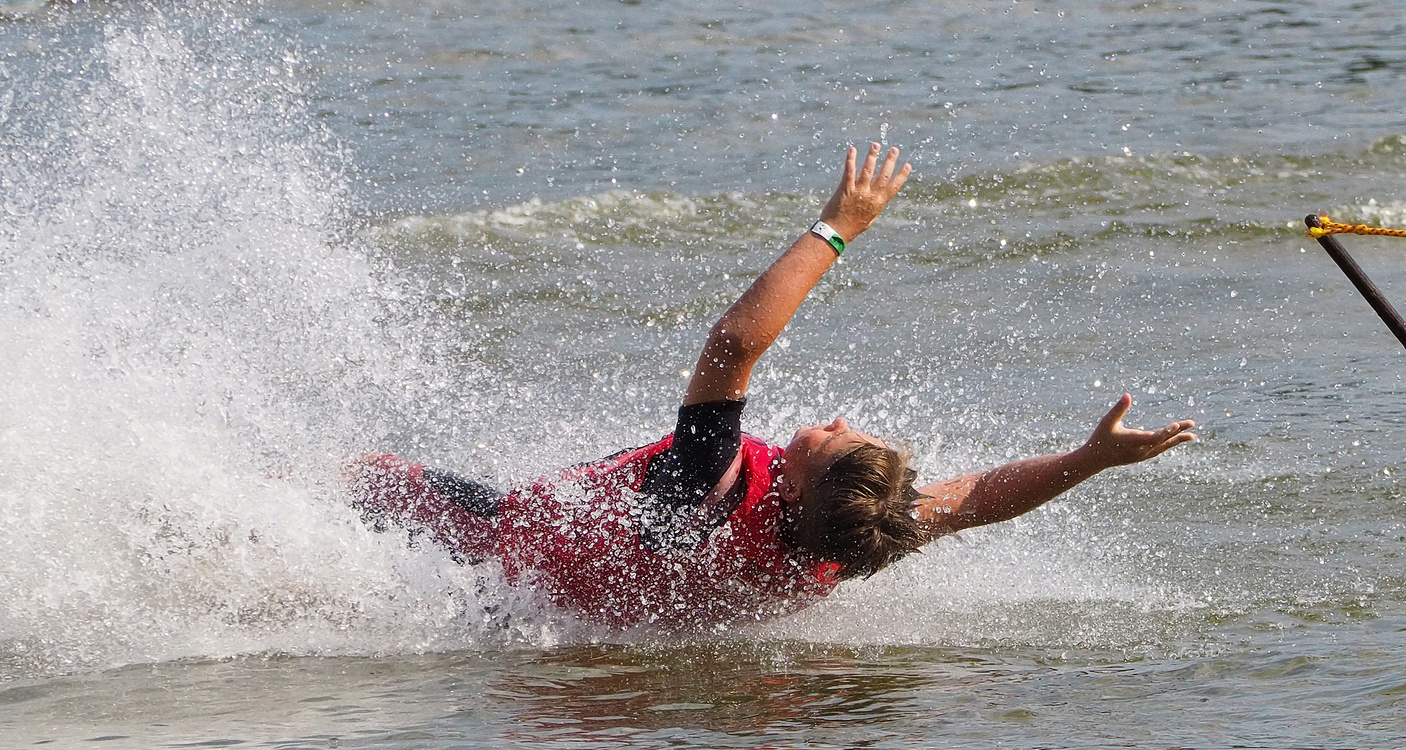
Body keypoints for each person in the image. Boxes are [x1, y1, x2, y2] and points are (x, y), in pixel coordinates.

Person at [352, 144, 1195, 630]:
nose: (821, 422)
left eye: (819, 441)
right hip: (573, 620)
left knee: (353, 481)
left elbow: (732, 345)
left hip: (497, 557)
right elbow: (976, 498)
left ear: (792, 483)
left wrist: (839, 227)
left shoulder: (709, 483)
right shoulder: (848, 542)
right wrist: (1090, 459)